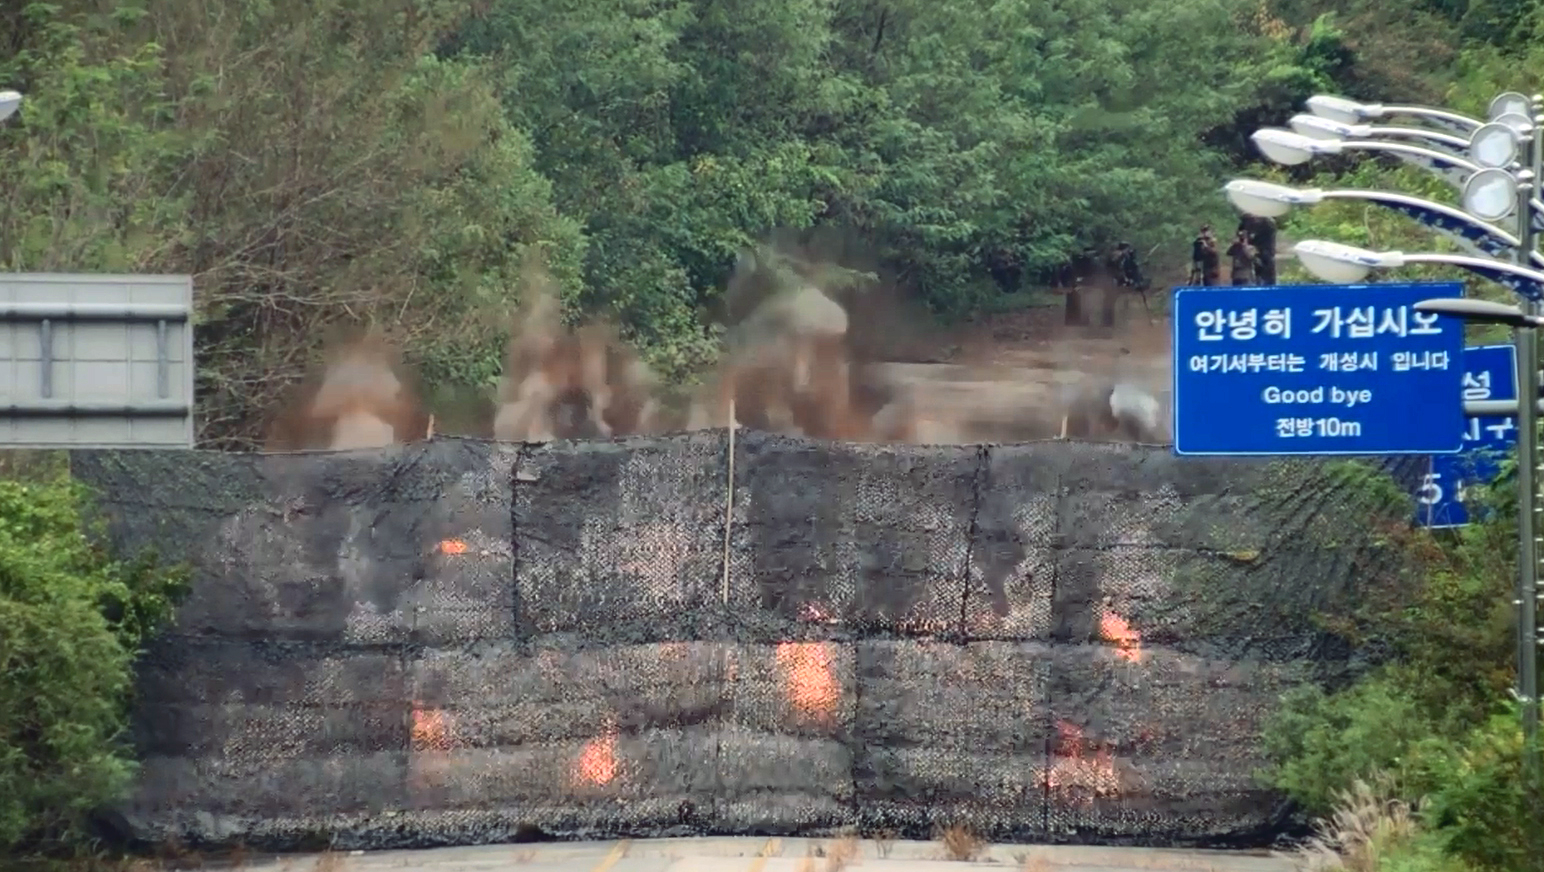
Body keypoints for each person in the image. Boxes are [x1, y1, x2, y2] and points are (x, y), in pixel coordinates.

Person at [1238, 215, 1277, 285]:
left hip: (1265, 253)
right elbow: (1240, 233)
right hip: (1247, 255)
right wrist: (1245, 244)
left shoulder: (1268, 223)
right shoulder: (1246, 220)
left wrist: (1256, 250)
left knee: (1266, 275)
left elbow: (1268, 242)